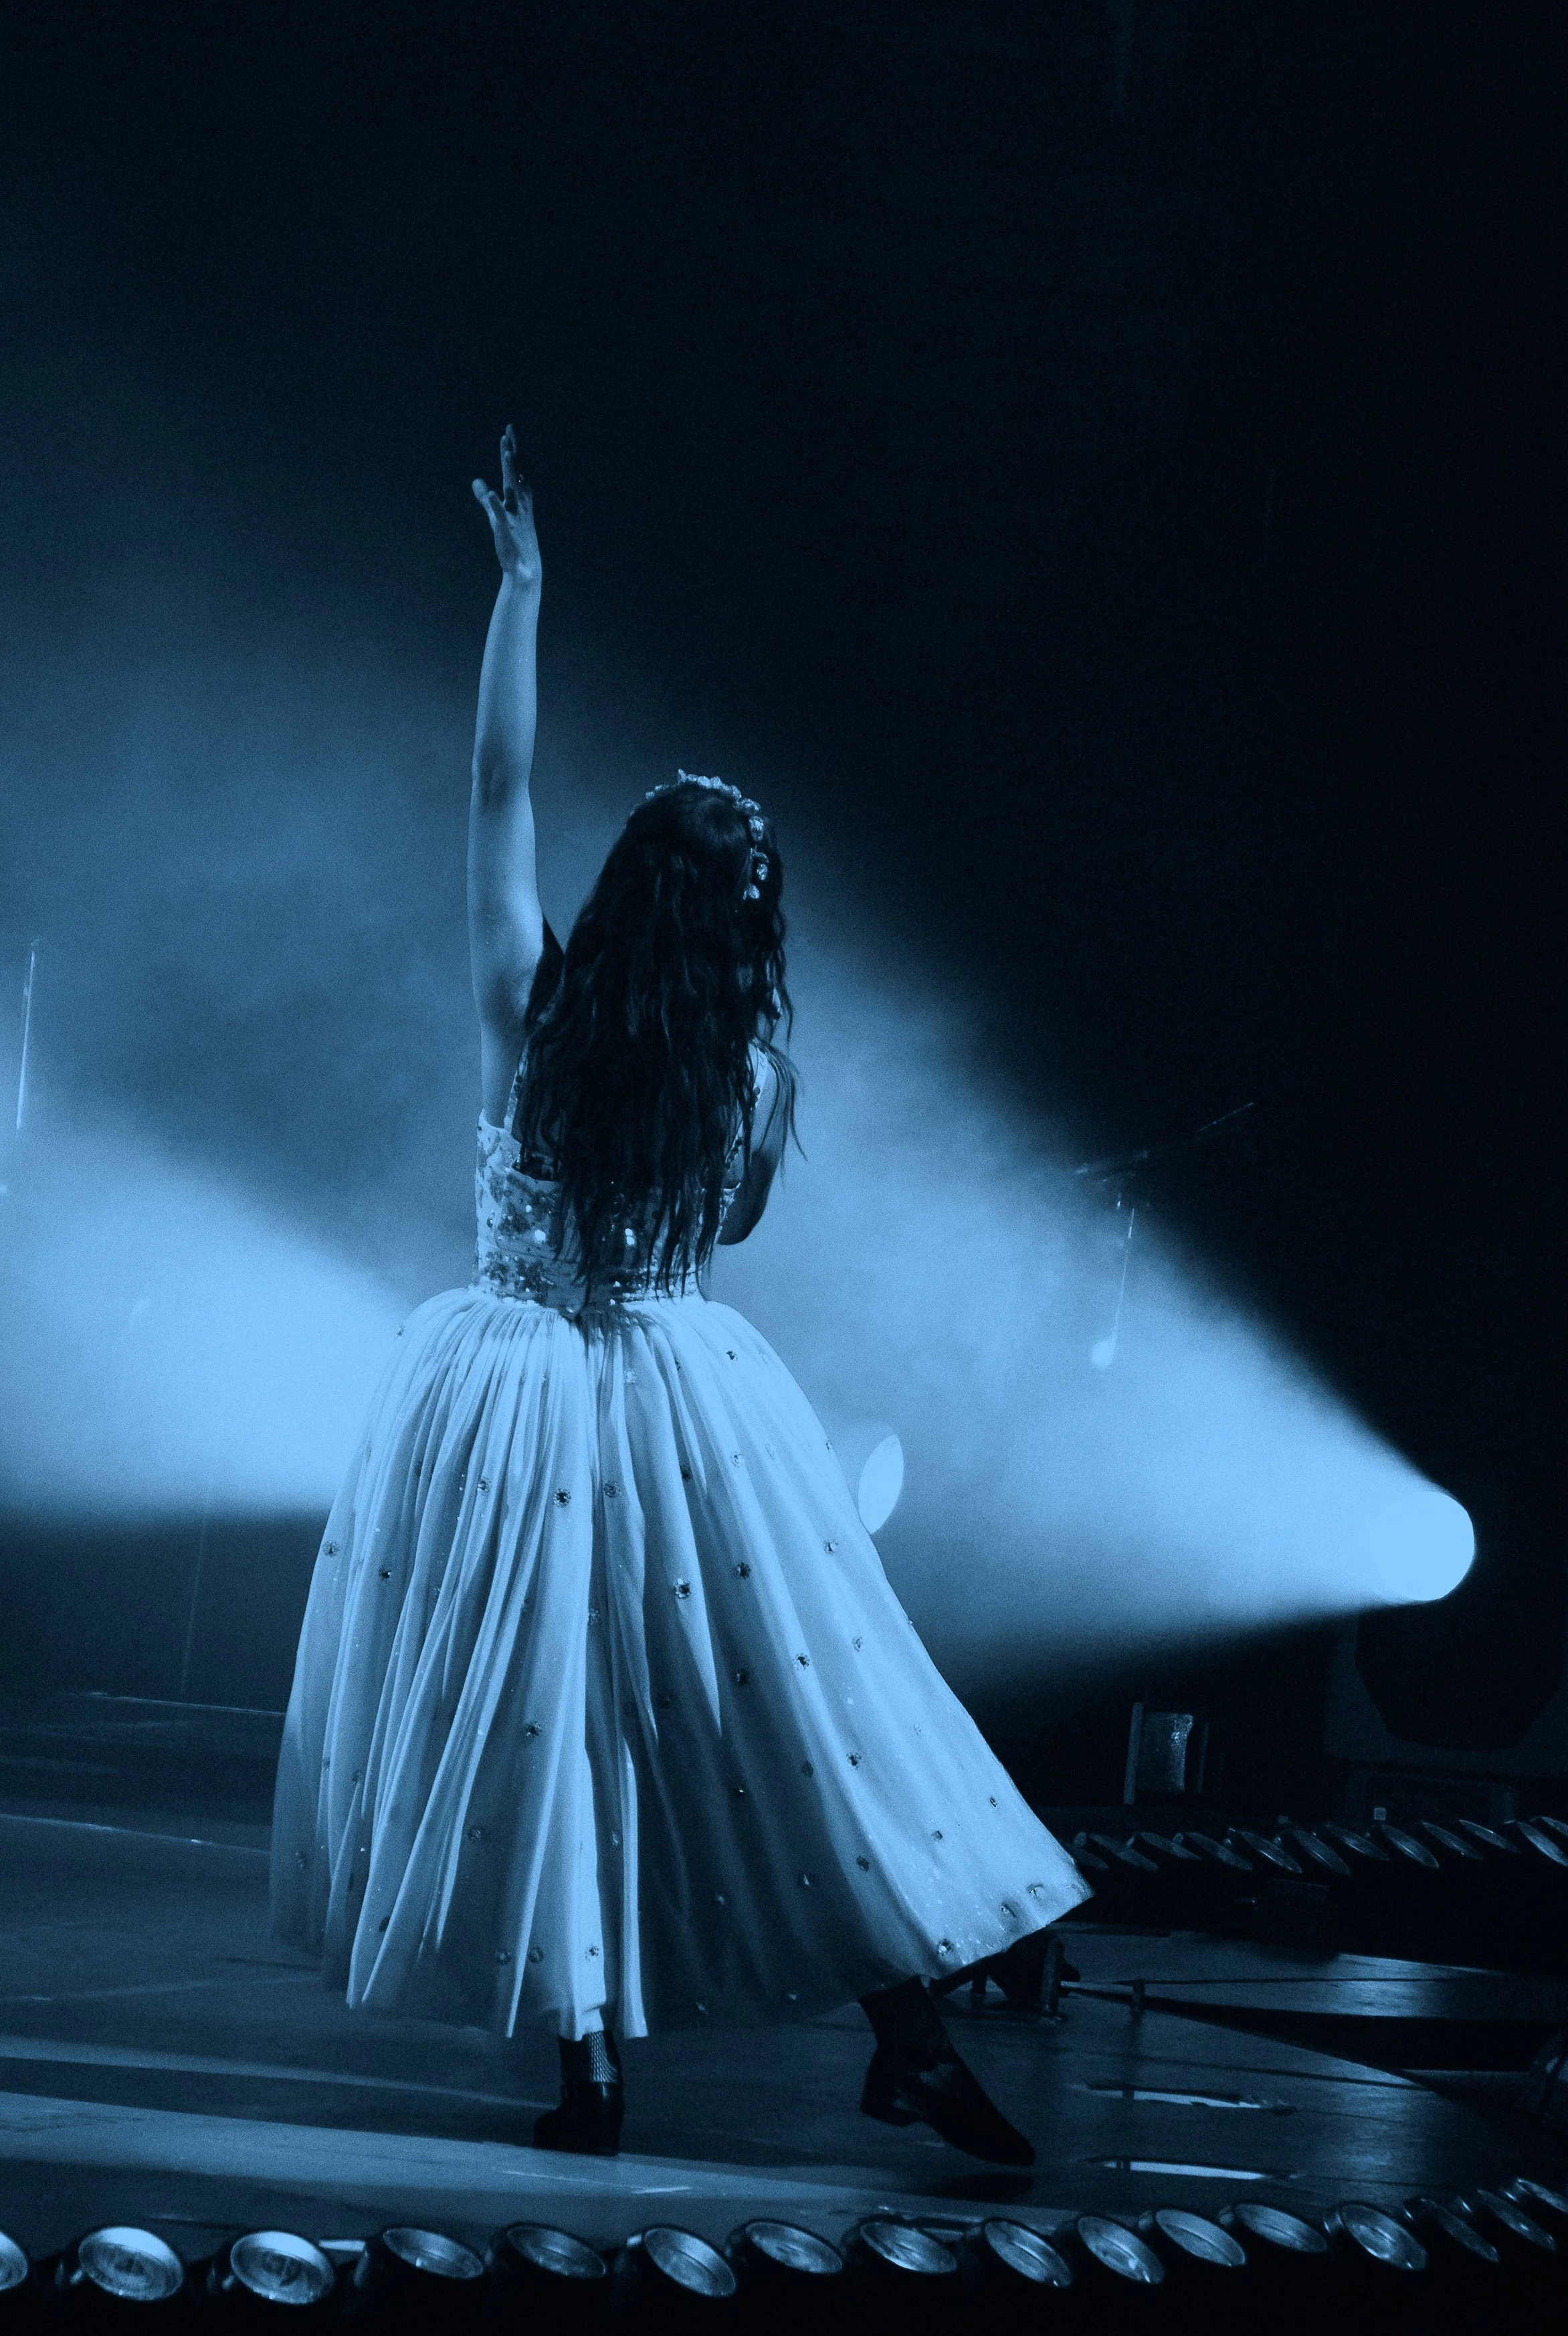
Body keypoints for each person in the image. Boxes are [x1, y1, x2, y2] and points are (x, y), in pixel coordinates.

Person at [271, 428, 1090, 2166]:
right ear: (740, 929)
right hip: (671, 1381)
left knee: (561, 1731)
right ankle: (904, 2025)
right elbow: (741, 1225)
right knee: (772, 1717)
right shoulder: (745, 1074)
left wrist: (522, 598)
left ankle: (593, 2072)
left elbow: (495, 797)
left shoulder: (533, 1000)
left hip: (509, 1387)